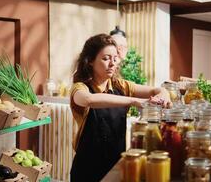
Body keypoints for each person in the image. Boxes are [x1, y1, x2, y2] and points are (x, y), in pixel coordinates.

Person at [69, 34, 170, 182]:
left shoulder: (120, 86)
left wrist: (164, 94)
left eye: (115, 58)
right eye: (105, 58)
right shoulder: (80, 88)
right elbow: (88, 99)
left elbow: (156, 90)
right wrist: (134, 101)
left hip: (116, 165)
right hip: (88, 169)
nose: (112, 64)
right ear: (90, 60)